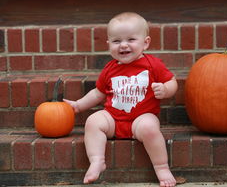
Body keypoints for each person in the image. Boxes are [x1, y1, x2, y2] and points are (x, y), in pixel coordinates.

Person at [64, 12, 178, 187]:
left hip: (141, 119)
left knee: (150, 127)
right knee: (93, 121)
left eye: (131, 39)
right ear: (109, 45)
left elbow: (171, 81)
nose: (123, 45)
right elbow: (98, 93)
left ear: (145, 43)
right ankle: (97, 160)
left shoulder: (152, 64)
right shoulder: (110, 69)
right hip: (113, 119)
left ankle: (161, 167)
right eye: (117, 41)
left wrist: (165, 89)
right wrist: (79, 106)